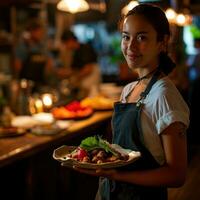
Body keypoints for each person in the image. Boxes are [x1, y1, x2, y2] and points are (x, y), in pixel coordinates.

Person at [72, 4, 190, 200]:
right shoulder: (128, 90)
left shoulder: (164, 95)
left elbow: (177, 175)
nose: (131, 46)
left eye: (142, 37)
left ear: (162, 42)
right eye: (126, 37)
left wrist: (119, 175)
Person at [55, 29, 102, 98]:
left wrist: (74, 77)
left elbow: (88, 69)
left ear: (70, 40)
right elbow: (75, 69)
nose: (65, 47)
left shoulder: (85, 48)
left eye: (65, 44)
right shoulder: (75, 52)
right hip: (83, 86)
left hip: (91, 85)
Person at [14, 20, 54, 92]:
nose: (41, 34)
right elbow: (17, 67)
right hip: (27, 85)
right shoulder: (23, 47)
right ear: (32, 32)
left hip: (41, 83)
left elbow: (49, 62)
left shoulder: (42, 47)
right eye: (39, 32)